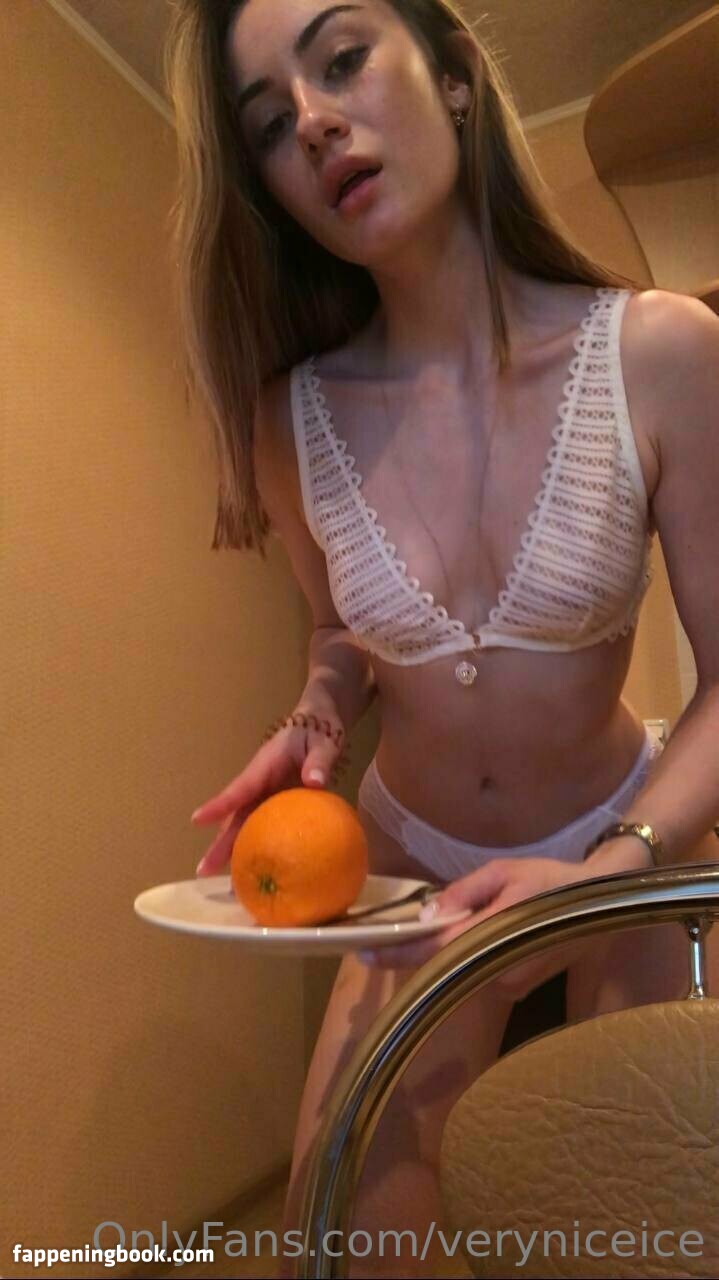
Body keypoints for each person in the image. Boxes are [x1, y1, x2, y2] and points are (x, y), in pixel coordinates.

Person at [165, 1, 719, 1275]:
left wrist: (614, 862)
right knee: (337, 1240)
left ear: (456, 78)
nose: (313, 123)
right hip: (408, 865)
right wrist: (315, 712)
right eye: (269, 124)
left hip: (623, 842)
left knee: (645, 1234)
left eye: (341, 59)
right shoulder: (289, 417)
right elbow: (338, 629)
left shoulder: (660, 352)